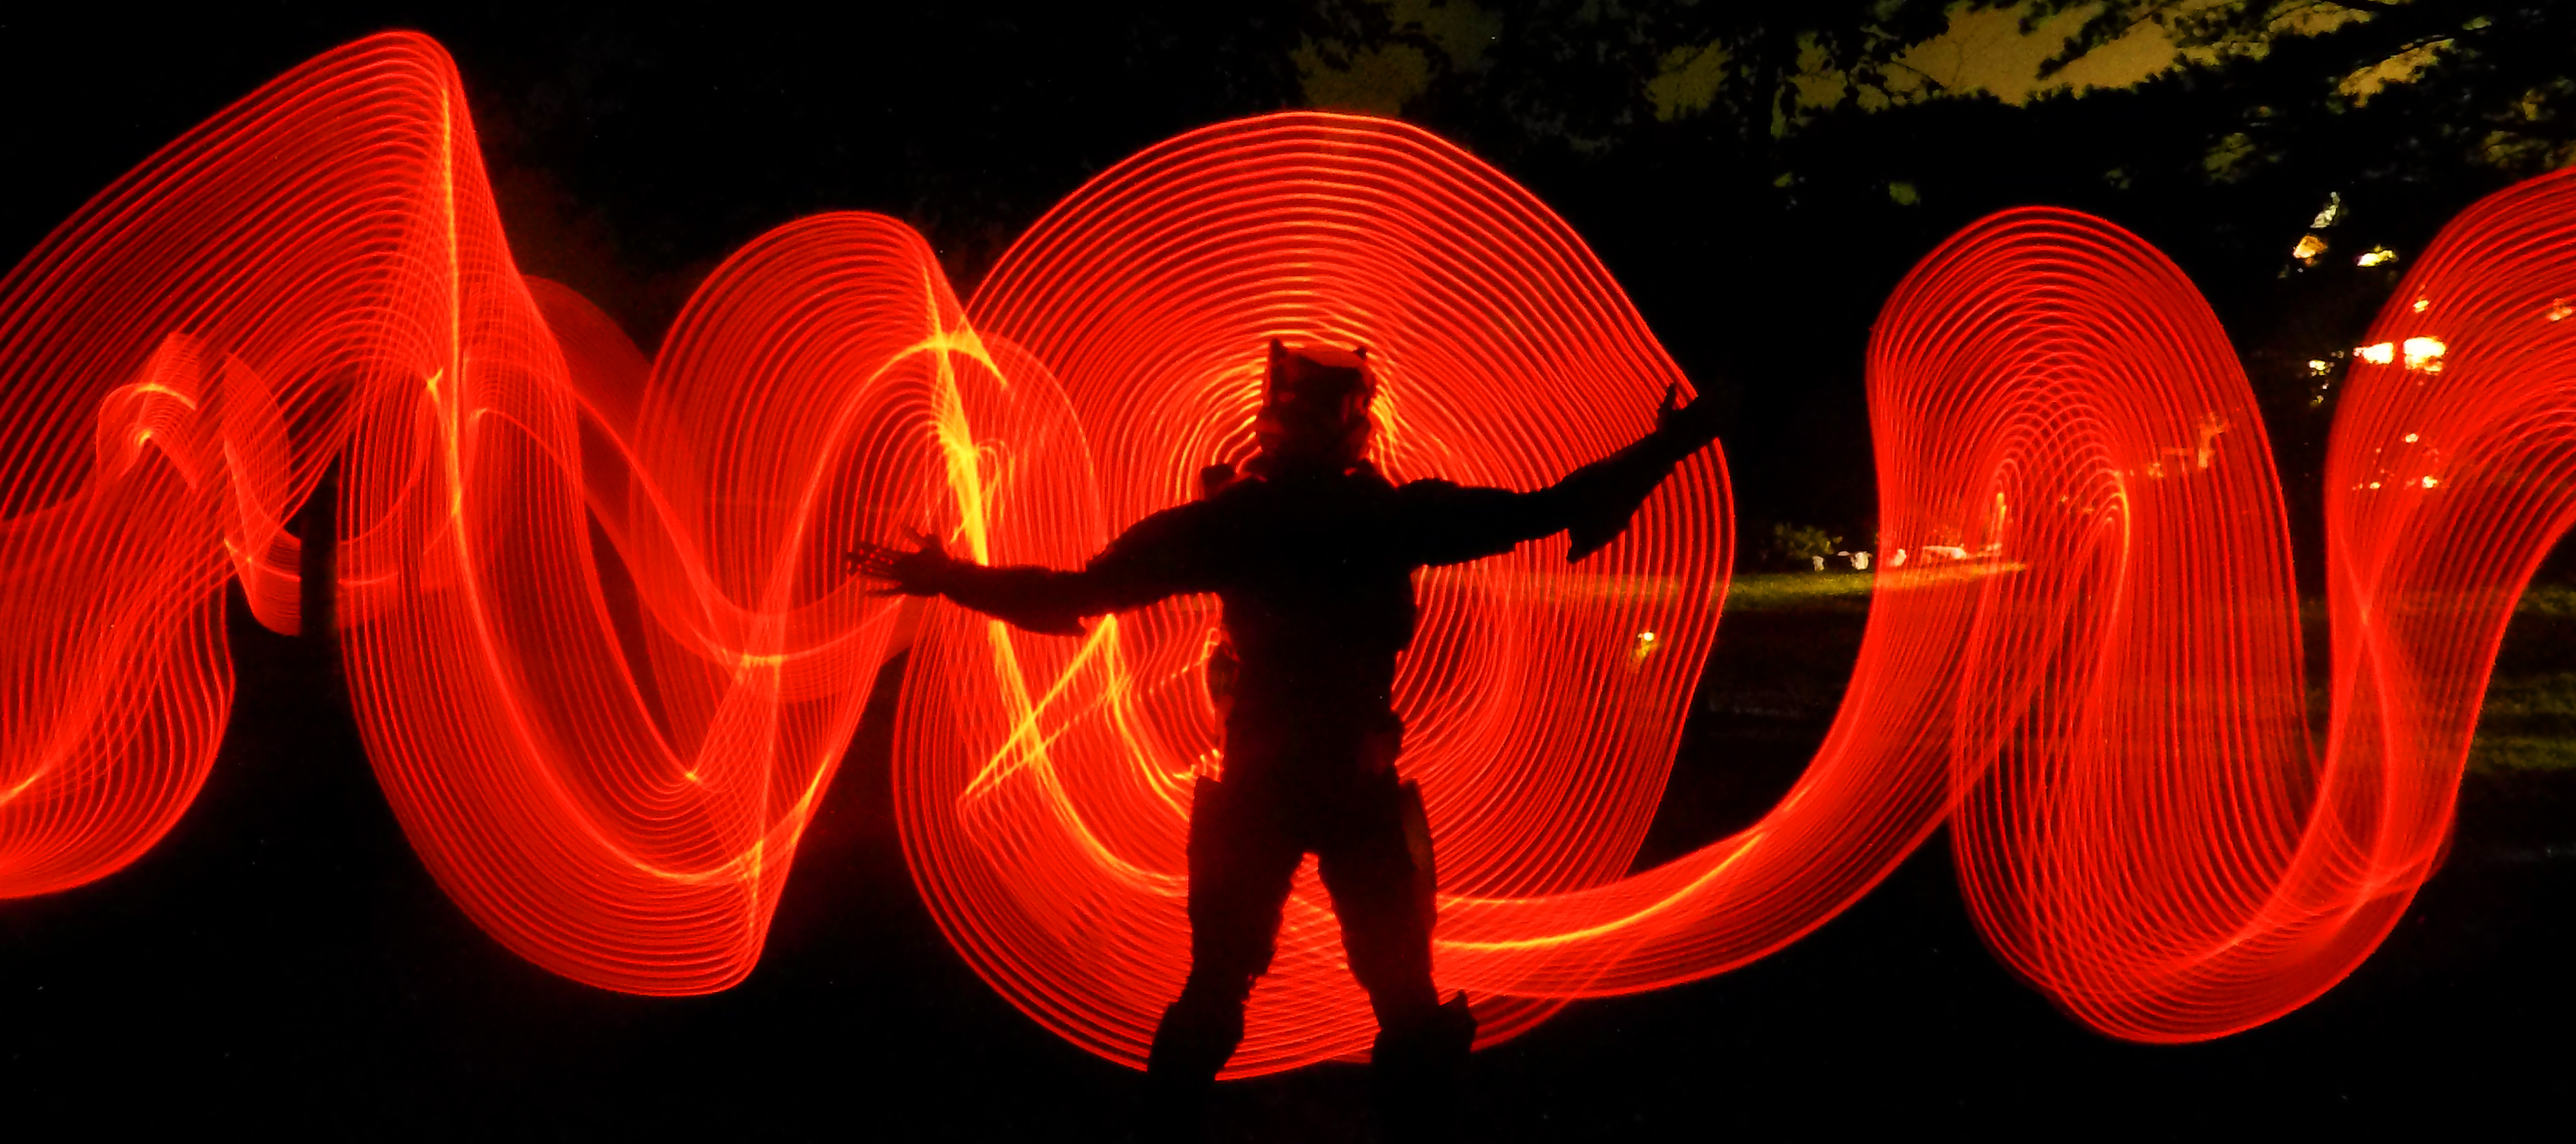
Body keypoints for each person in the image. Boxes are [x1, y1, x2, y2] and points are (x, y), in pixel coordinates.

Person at [848, 340, 1720, 1141]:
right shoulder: (1379, 519)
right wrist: (1671, 447)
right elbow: (1556, 508)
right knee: (1392, 1002)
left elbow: (1077, 592)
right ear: (1358, 429)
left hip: (1270, 784)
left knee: (1230, 989)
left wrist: (946, 576)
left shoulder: (1237, 525)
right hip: (1346, 782)